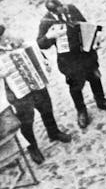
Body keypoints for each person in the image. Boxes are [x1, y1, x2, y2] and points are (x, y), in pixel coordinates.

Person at [36, 0, 106, 129]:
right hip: (69, 61)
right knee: (75, 87)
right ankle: (81, 111)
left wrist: (95, 38)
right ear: (51, 11)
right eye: (58, 10)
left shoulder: (71, 9)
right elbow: (41, 43)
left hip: (85, 54)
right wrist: (49, 36)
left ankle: (101, 101)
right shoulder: (46, 22)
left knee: (95, 78)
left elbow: (86, 25)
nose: (62, 10)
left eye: (61, 7)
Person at [0, 25, 72, 165]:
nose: (5, 39)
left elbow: (34, 49)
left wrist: (44, 61)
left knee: (47, 110)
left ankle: (54, 132)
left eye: (4, 35)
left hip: (36, 83)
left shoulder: (16, 41)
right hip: (18, 92)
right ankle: (32, 147)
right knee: (27, 122)